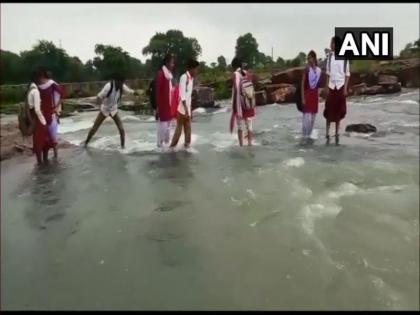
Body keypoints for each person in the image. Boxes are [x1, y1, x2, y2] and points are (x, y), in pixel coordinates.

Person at [84, 73, 136, 149]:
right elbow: (99, 96)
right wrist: (98, 105)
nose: (121, 84)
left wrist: (136, 92)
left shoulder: (121, 85)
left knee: (121, 129)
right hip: (105, 109)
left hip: (114, 109)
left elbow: (129, 91)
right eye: (120, 83)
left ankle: (123, 148)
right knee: (95, 128)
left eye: (122, 83)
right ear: (116, 81)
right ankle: (86, 143)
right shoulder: (108, 86)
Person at [32, 68, 63, 164]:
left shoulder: (51, 84)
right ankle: (44, 160)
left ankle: (55, 157)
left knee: (53, 137)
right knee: (43, 138)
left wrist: (56, 108)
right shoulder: (36, 87)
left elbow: (61, 95)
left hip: (51, 113)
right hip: (41, 114)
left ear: (41, 76)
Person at [324, 36, 350, 145]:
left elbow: (347, 74)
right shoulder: (330, 57)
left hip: (340, 86)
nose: (333, 45)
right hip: (331, 86)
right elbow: (328, 73)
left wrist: (345, 89)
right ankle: (327, 133)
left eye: (335, 43)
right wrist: (326, 87)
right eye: (332, 43)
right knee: (329, 109)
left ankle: (337, 133)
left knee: (339, 110)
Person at [170, 59, 199, 149]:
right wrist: (186, 110)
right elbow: (182, 95)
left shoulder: (191, 79)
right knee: (179, 130)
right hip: (182, 109)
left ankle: (186, 149)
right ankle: (171, 148)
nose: (196, 71)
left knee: (188, 130)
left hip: (187, 109)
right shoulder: (184, 77)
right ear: (191, 68)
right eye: (195, 69)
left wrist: (189, 111)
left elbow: (188, 96)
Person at [230, 57, 256, 146]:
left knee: (240, 126)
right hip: (248, 103)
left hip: (239, 104)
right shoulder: (246, 73)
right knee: (249, 126)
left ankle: (241, 145)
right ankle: (250, 144)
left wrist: (234, 106)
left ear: (234, 66)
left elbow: (236, 90)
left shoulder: (235, 74)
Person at [301, 50, 321, 144]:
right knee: (306, 118)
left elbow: (318, 85)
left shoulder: (318, 70)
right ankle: (304, 136)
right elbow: (302, 84)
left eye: (310, 58)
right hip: (307, 93)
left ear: (314, 58)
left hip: (314, 95)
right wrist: (303, 98)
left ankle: (309, 136)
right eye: (308, 58)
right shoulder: (306, 69)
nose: (309, 60)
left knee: (312, 118)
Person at [155, 53, 176, 148]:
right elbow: (158, 92)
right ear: (167, 63)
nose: (173, 65)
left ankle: (167, 146)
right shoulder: (161, 74)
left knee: (168, 127)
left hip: (169, 105)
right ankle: (159, 146)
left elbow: (171, 90)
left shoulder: (169, 76)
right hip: (162, 106)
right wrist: (157, 108)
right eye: (172, 63)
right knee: (162, 127)